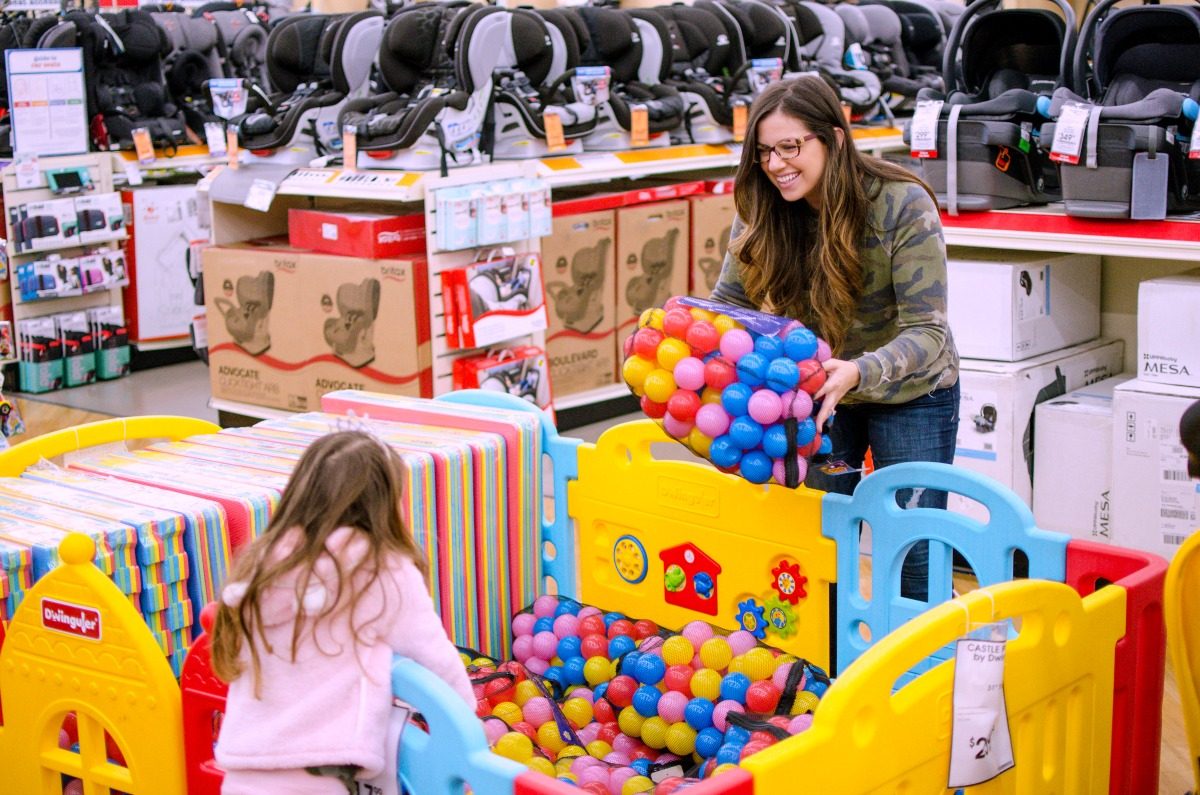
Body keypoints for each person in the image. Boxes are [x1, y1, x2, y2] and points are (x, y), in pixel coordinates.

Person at [712, 76, 960, 599]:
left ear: (835, 139)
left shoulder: (900, 203)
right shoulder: (762, 210)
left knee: (912, 552)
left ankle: (921, 675)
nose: (777, 164)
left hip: (910, 394)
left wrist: (858, 370)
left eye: (790, 146)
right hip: (822, 394)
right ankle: (828, 673)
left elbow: (929, 331)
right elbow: (727, 308)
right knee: (818, 547)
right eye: (764, 152)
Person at [211, 430, 474, 795]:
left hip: (242, 774)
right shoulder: (379, 568)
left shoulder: (262, 562)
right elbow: (434, 657)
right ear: (384, 504)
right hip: (316, 777)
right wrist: (472, 727)